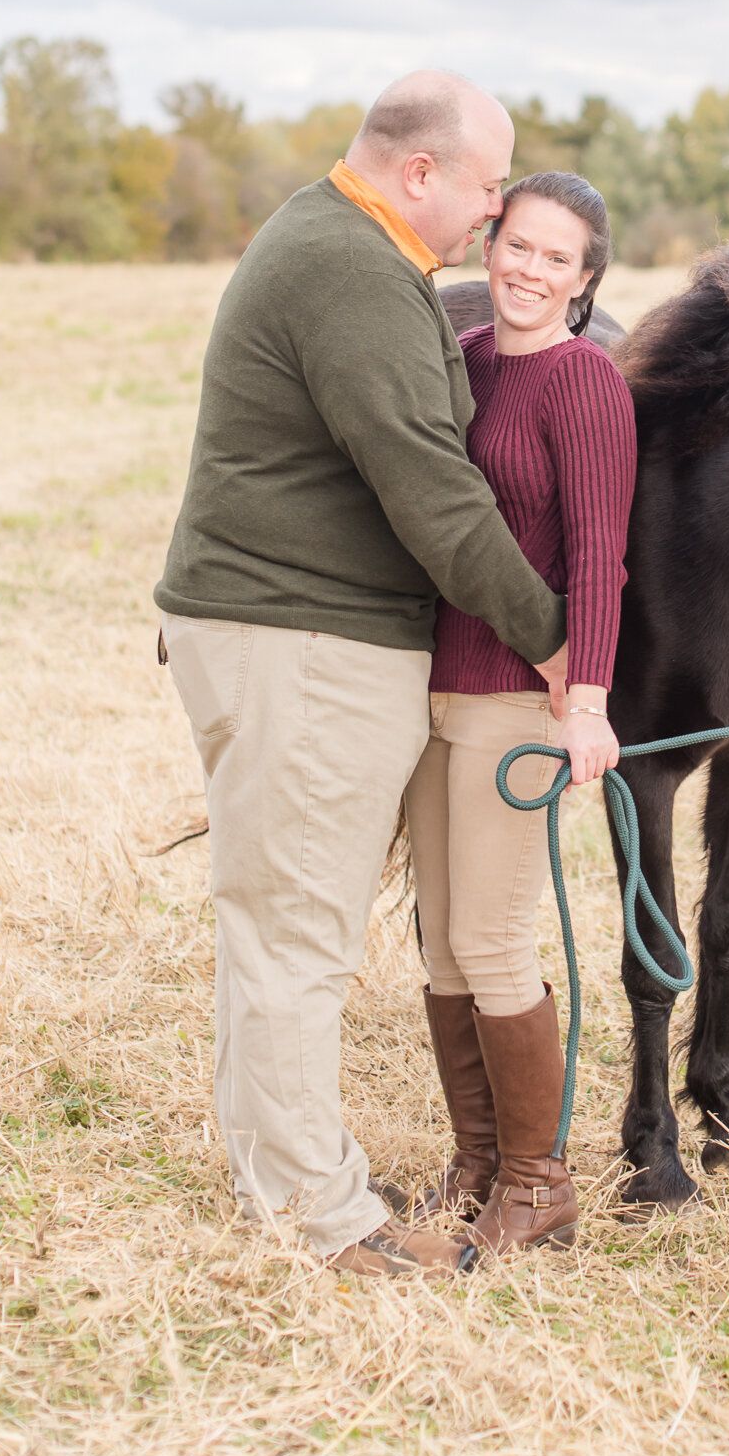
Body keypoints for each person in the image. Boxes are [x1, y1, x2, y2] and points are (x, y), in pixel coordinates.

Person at [154, 71, 570, 1281]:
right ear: (420, 172)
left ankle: (279, 1172)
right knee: (297, 937)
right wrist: (560, 641)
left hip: (280, 633)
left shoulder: (340, 243)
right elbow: (433, 488)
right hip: (303, 647)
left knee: (270, 925)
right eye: (490, 186)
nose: (498, 213)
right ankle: (323, 1220)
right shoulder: (351, 268)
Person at [403, 171, 637, 1255]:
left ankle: (540, 1183)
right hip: (436, 687)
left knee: (493, 939)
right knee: (442, 943)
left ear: (585, 281)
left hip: (518, 702)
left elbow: (600, 555)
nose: (529, 270)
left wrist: (584, 699)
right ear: (490, 244)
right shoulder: (467, 362)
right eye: (518, 245)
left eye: (557, 258)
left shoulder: (585, 384)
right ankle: (480, 1163)